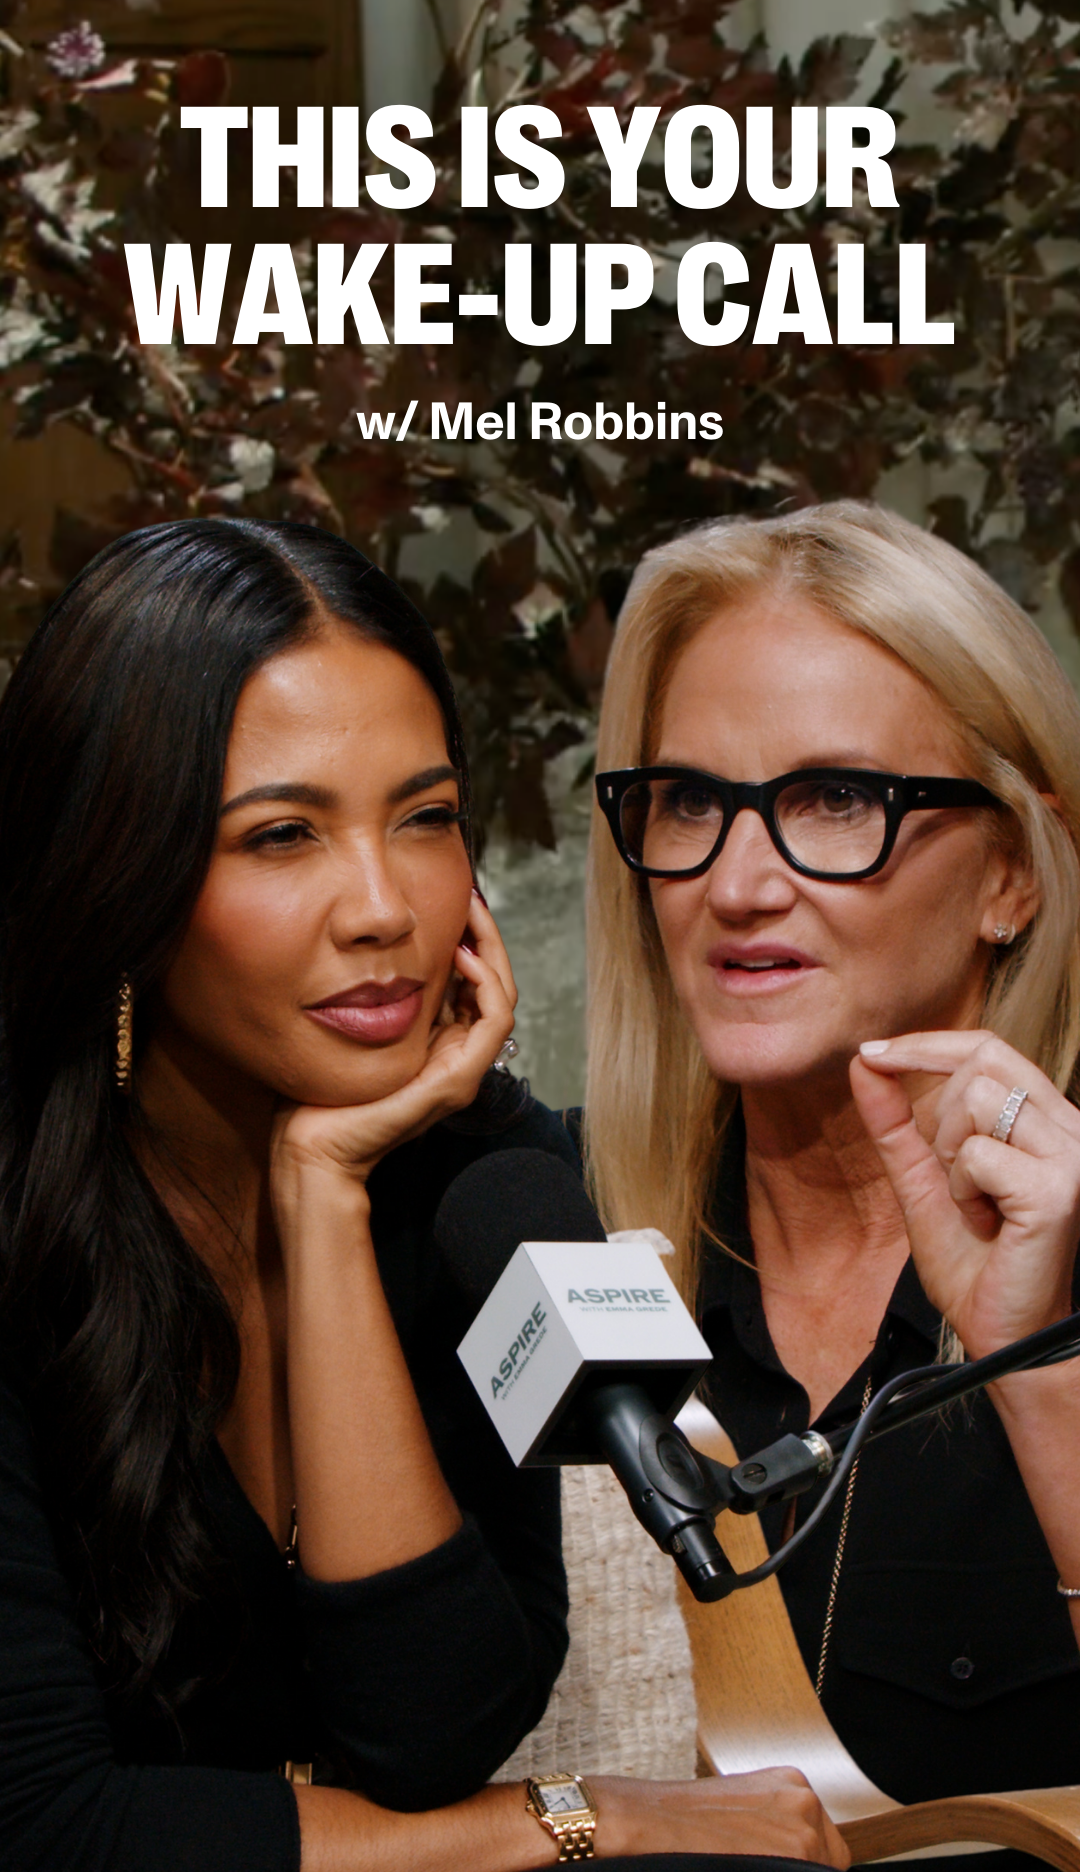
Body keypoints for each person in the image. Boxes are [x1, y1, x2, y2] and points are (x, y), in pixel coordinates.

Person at [0, 517, 848, 1872]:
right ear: (119, 872)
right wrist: (591, 1817)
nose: (386, 906)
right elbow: (45, 1827)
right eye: (282, 836)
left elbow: (428, 1732)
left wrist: (323, 1196)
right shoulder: (21, 1216)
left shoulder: (489, 1190)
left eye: (428, 819)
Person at [583, 500, 1080, 1863]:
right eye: (689, 800)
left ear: (1008, 876)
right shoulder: (555, 1244)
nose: (737, 883)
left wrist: (1035, 1373)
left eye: (836, 799)